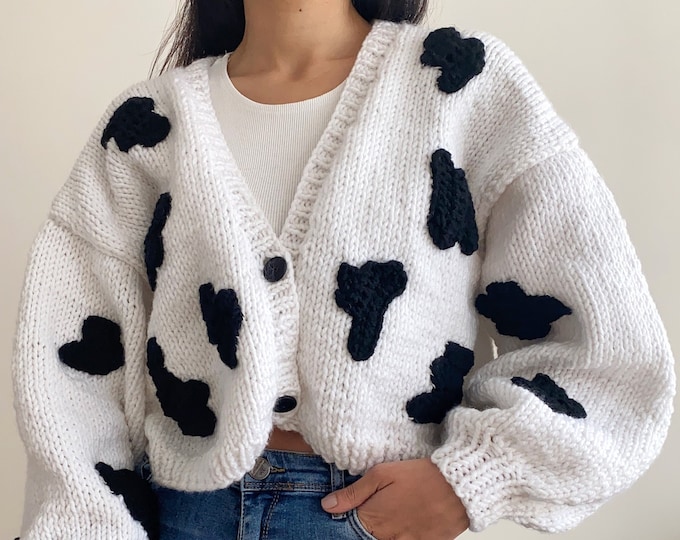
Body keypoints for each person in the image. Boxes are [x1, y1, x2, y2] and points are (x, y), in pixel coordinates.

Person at [11, 0, 675, 539]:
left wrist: (469, 481)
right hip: (185, 513)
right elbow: (72, 371)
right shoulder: (147, 127)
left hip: (371, 515)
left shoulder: (461, 84)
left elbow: (605, 344)